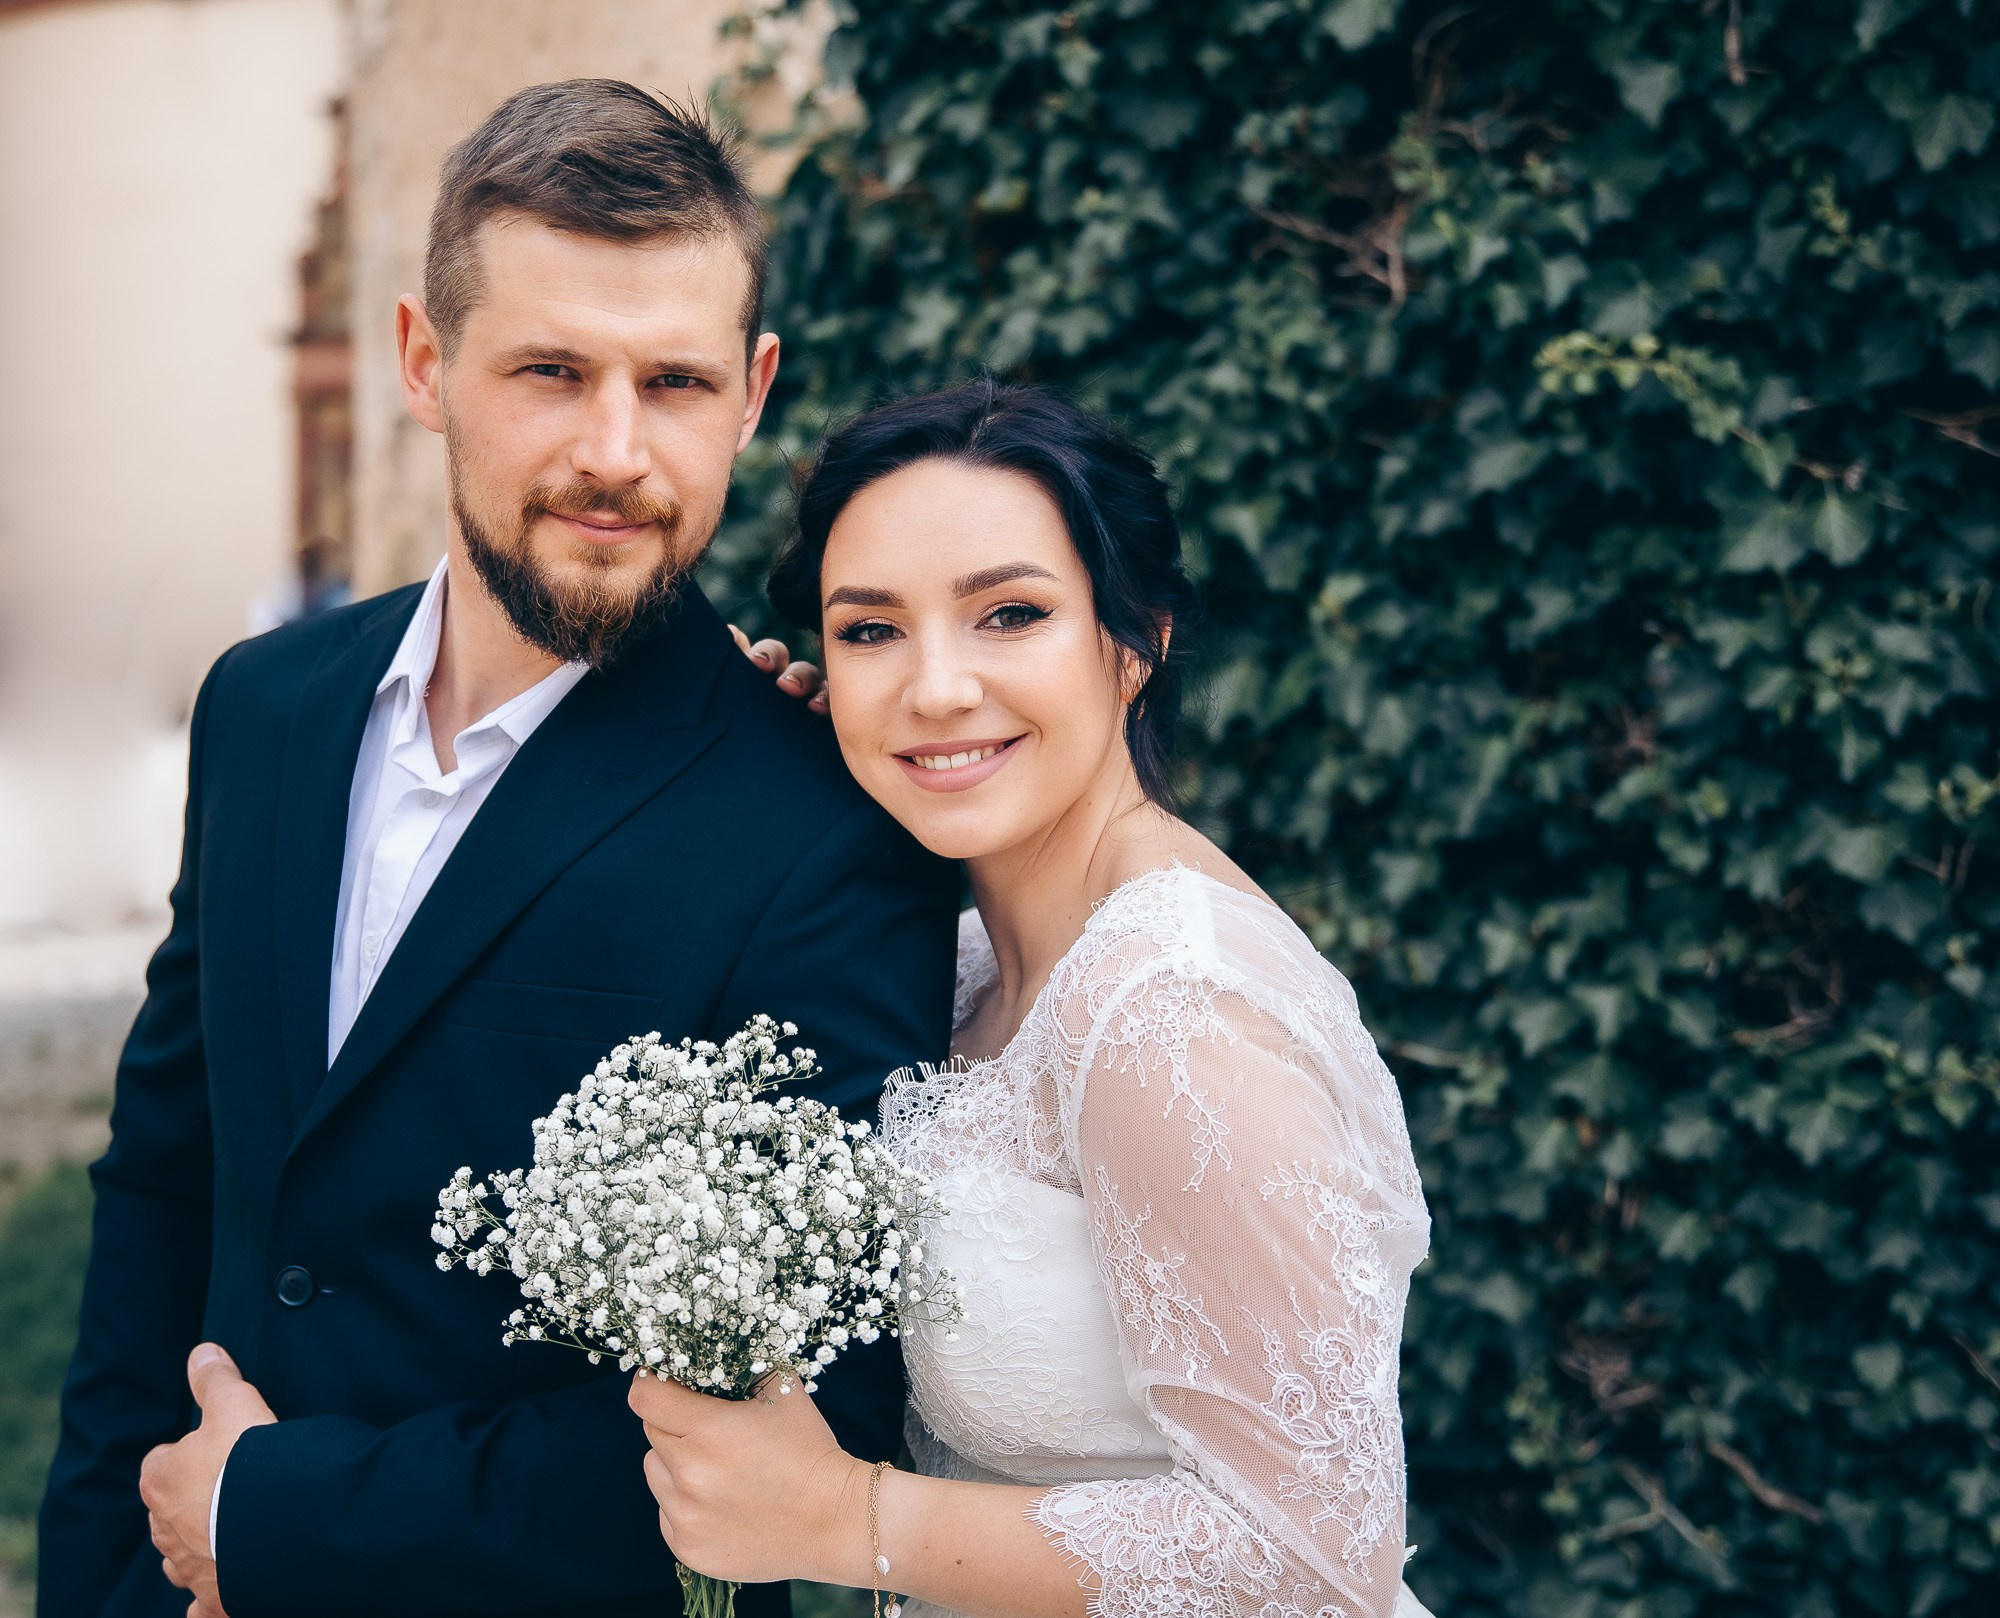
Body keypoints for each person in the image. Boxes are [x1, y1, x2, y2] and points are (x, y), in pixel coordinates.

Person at [38, 81, 957, 1618]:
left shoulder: (829, 830)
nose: (616, 450)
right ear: (423, 361)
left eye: (673, 381)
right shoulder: (263, 709)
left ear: (753, 390)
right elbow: (164, 1198)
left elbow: (815, 1418)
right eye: (550, 371)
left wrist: (280, 1513)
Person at [630, 379, 1436, 1618]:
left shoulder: (1175, 1006)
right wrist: (759, 783)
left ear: (1137, 641)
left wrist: (849, 1519)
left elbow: (1317, 1565)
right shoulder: (959, 969)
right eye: (869, 632)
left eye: (1008, 614)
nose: (935, 688)